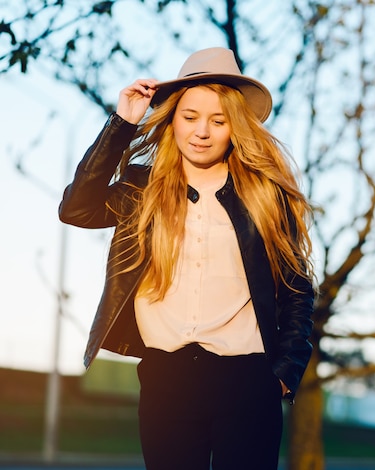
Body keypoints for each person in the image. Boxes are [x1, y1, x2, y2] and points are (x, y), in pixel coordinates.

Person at [59, 47, 315, 470]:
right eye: (190, 117)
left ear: (235, 129)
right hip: (167, 378)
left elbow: (296, 288)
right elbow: (77, 209)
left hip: (249, 380)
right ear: (172, 119)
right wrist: (122, 123)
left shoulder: (266, 197)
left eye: (218, 121)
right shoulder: (142, 189)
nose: (202, 131)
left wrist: (285, 373)